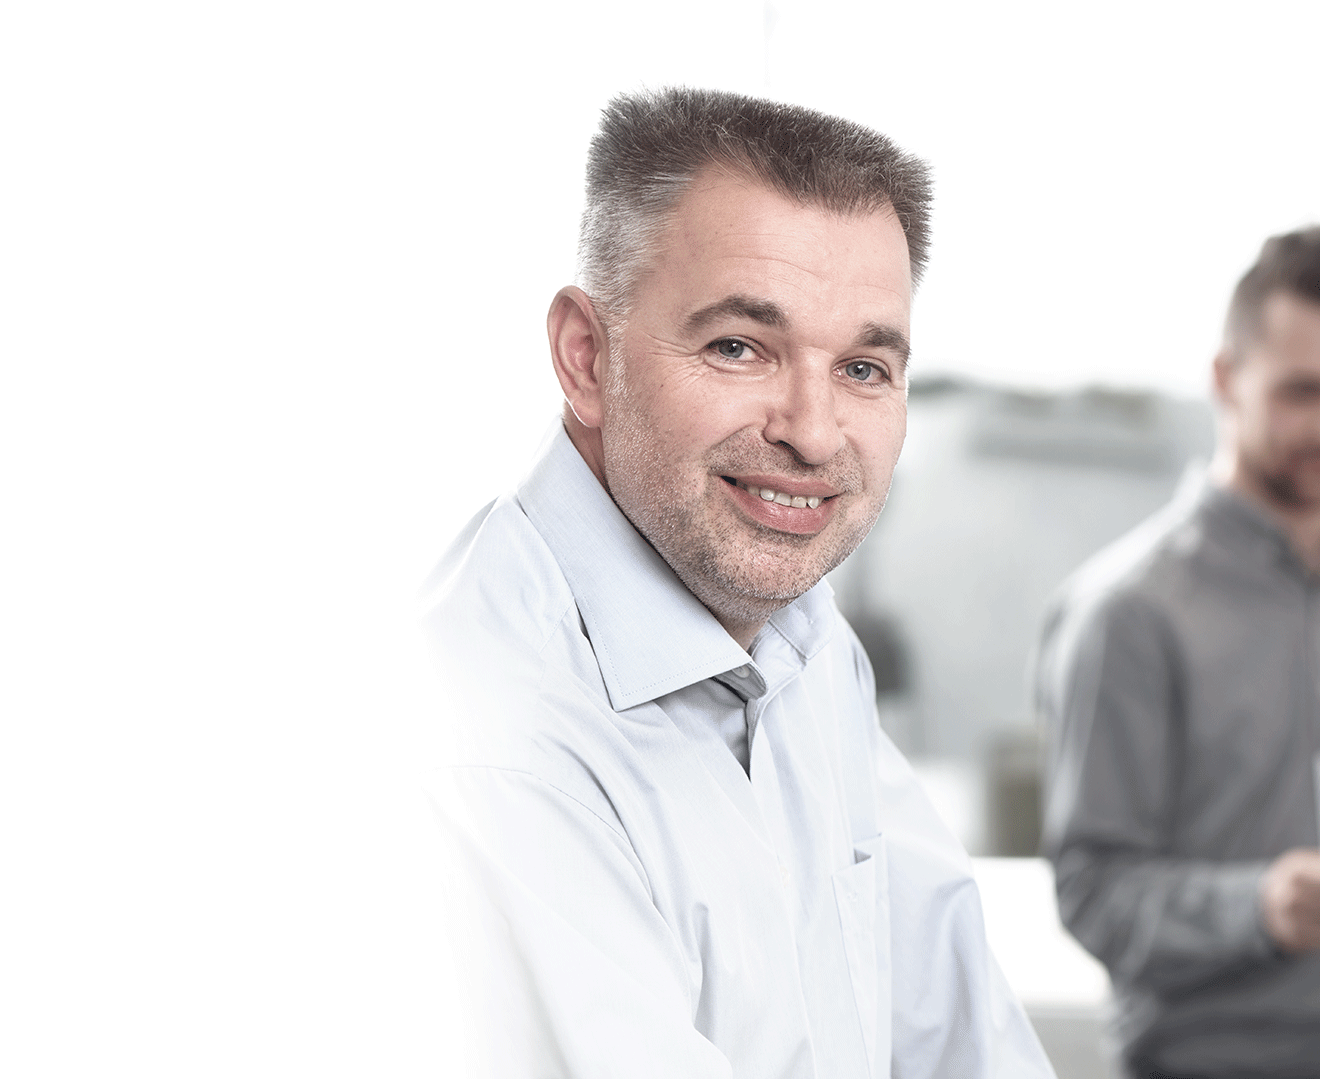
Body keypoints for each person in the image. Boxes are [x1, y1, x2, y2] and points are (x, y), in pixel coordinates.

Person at [420, 88, 1054, 1079]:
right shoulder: (489, 730)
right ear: (586, 357)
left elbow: (954, 1023)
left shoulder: (804, 640)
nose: (810, 429)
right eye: (737, 346)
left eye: (862, 367)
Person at [1036, 226, 1320, 1079]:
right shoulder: (1125, 613)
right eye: (1302, 392)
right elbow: (1092, 889)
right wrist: (1258, 907)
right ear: (1226, 381)